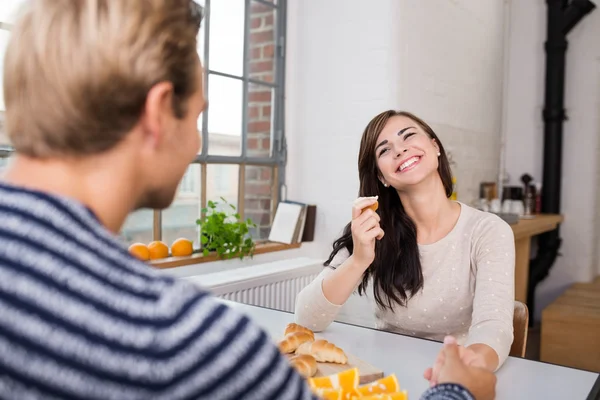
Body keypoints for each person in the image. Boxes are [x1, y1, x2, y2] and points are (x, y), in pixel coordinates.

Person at [0, 1, 496, 399]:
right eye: (198, 116)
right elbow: (309, 313)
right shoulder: (188, 340)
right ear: (157, 114)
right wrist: (458, 393)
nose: (196, 144)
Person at [295, 110, 516, 380]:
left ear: (435, 147)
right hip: (387, 377)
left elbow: (494, 327)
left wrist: (468, 367)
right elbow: (307, 318)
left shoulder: (488, 231)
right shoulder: (371, 228)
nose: (400, 150)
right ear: (382, 177)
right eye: (384, 150)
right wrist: (359, 259)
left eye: (408, 136)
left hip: (456, 375)